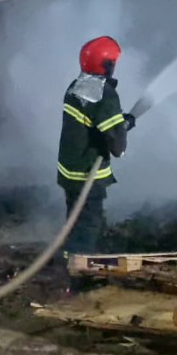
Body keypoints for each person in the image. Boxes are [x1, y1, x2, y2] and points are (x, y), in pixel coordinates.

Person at [56, 35, 136, 258]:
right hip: (87, 175)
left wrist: (119, 121)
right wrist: (123, 128)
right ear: (107, 65)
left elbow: (91, 122)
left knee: (74, 221)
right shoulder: (105, 95)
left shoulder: (76, 87)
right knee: (87, 226)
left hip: (69, 173)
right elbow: (117, 149)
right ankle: (79, 276)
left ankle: (69, 260)